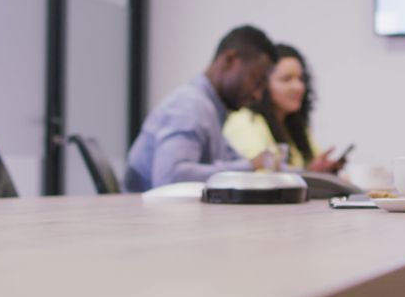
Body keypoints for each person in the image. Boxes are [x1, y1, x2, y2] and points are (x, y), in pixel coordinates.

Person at [124, 25, 278, 191]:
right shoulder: (191, 106)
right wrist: (250, 165)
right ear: (230, 60)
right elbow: (170, 177)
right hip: (148, 214)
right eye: (256, 81)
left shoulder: (212, 110)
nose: (257, 95)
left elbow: (231, 159)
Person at [223, 43, 342, 173]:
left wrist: (320, 171)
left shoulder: (294, 124)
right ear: (262, 84)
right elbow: (263, 175)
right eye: (286, 79)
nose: (298, 87)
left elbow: (309, 169)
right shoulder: (244, 121)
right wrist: (309, 174)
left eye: (301, 79)